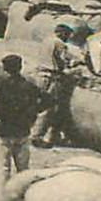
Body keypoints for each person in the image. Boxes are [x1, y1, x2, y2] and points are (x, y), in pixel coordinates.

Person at [0, 54, 43, 201]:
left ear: (5, 68)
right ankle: (23, 199)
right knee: (23, 168)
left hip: (4, 131)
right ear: (20, 67)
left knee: (2, 167)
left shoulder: (1, 85)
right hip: (22, 131)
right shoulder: (28, 85)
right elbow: (47, 99)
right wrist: (33, 112)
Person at [30, 19, 87, 148]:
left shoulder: (46, 41)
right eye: (67, 35)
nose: (68, 38)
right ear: (62, 33)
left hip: (40, 74)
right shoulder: (60, 43)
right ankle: (36, 136)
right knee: (49, 108)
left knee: (39, 105)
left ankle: (46, 134)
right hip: (52, 77)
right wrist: (77, 64)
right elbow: (63, 61)